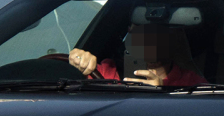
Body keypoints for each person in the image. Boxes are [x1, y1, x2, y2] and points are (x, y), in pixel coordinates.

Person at [68, 24, 205, 88]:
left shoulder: (194, 85)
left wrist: (163, 93)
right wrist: (75, 61)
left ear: (177, 38)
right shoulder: (104, 72)